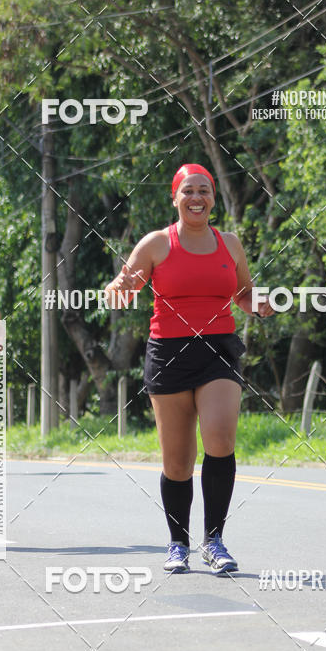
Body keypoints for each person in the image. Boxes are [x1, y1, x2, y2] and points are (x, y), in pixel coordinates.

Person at [104, 163, 273, 574]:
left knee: (220, 439)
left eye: (204, 191)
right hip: (169, 353)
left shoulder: (229, 244)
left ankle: (214, 540)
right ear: (175, 197)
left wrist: (261, 304)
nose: (197, 198)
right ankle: (178, 542)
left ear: (213, 198)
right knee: (177, 461)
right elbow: (121, 289)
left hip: (218, 350)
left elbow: (243, 293)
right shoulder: (157, 244)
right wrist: (117, 291)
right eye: (189, 191)